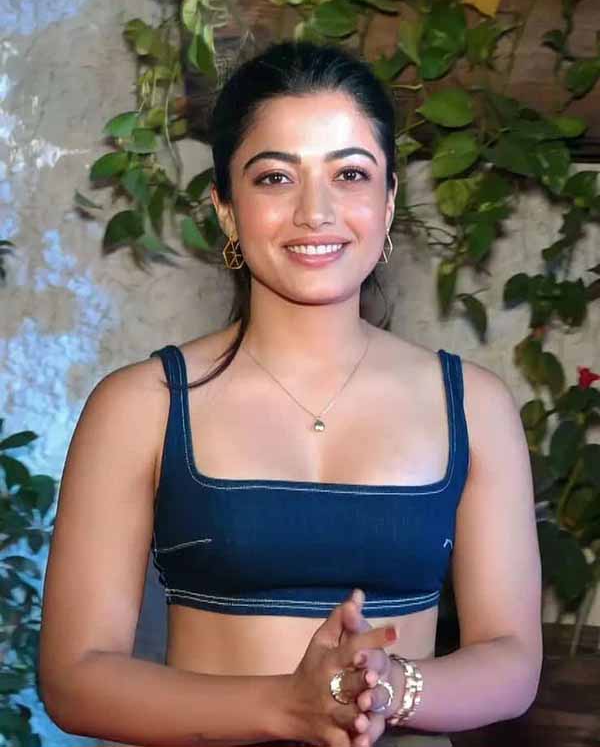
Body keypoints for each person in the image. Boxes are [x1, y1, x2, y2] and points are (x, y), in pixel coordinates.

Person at [38, 40, 543, 747]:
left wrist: (391, 688)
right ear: (224, 207)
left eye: (350, 174)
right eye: (276, 177)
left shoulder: (474, 405)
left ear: (389, 201)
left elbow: (513, 660)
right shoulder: (142, 405)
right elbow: (75, 677)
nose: (315, 211)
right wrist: (286, 704)